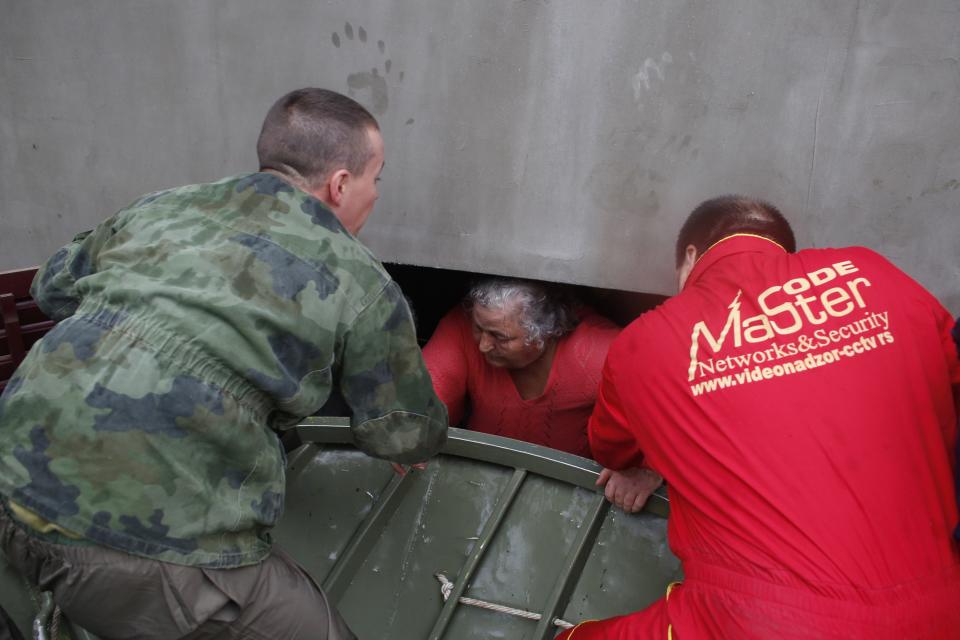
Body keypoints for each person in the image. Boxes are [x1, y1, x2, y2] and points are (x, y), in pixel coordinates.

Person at [0, 88, 448, 639]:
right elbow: (402, 434)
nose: (375, 193)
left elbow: (52, 286)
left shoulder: (163, 205)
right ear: (340, 184)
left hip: (9, 476)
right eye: (376, 178)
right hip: (133, 544)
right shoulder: (360, 281)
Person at [558, 196, 960, 639]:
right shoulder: (876, 274)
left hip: (757, 622)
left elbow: (610, 448)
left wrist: (656, 459)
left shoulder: (646, 341)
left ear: (690, 257)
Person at [423, 278, 662, 513]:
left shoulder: (600, 352)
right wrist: (412, 430)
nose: (484, 345)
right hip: (475, 487)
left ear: (545, 332)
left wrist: (647, 469)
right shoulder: (463, 327)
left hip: (574, 502)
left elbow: (677, 400)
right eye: (478, 329)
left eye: (500, 337)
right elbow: (427, 390)